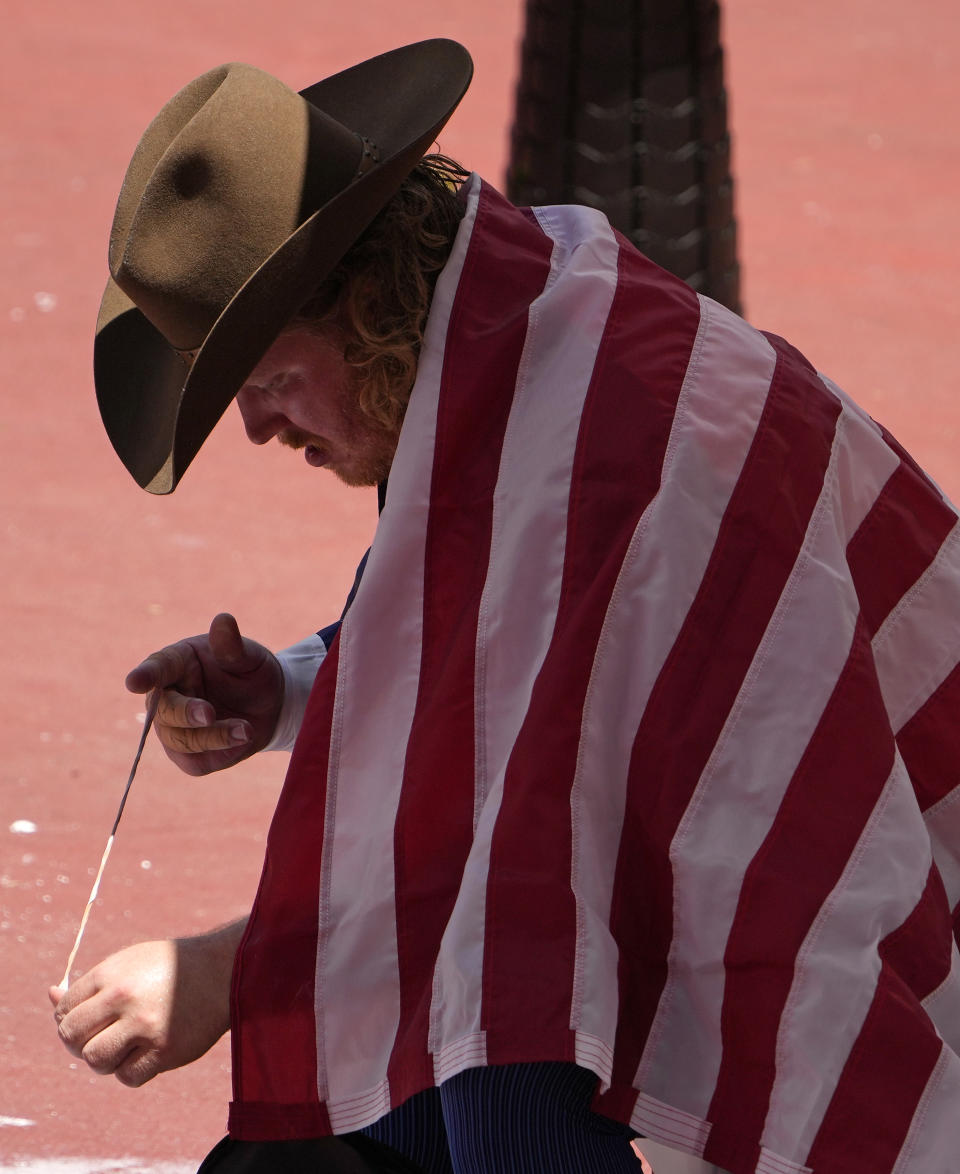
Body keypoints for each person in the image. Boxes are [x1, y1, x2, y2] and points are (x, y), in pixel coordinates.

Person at [49, 39, 960, 1174]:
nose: (261, 430)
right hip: (751, 862)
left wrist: (232, 973)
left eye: (273, 381)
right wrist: (286, 687)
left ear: (366, 307)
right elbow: (509, 665)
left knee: (500, 1026)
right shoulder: (521, 324)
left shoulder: (581, 440)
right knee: (415, 1070)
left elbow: (509, 855)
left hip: (847, 920)